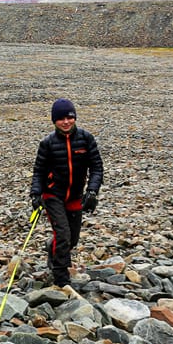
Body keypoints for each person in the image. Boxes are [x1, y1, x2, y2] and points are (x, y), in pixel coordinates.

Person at [29, 98, 103, 288]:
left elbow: (96, 167)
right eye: (61, 118)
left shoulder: (86, 139)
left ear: (74, 118)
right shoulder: (47, 143)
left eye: (69, 117)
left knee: (72, 238)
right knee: (63, 235)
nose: (66, 122)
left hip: (75, 195)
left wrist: (92, 191)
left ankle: (51, 248)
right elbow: (39, 171)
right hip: (53, 195)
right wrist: (36, 194)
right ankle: (61, 278)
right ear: (54, 121)